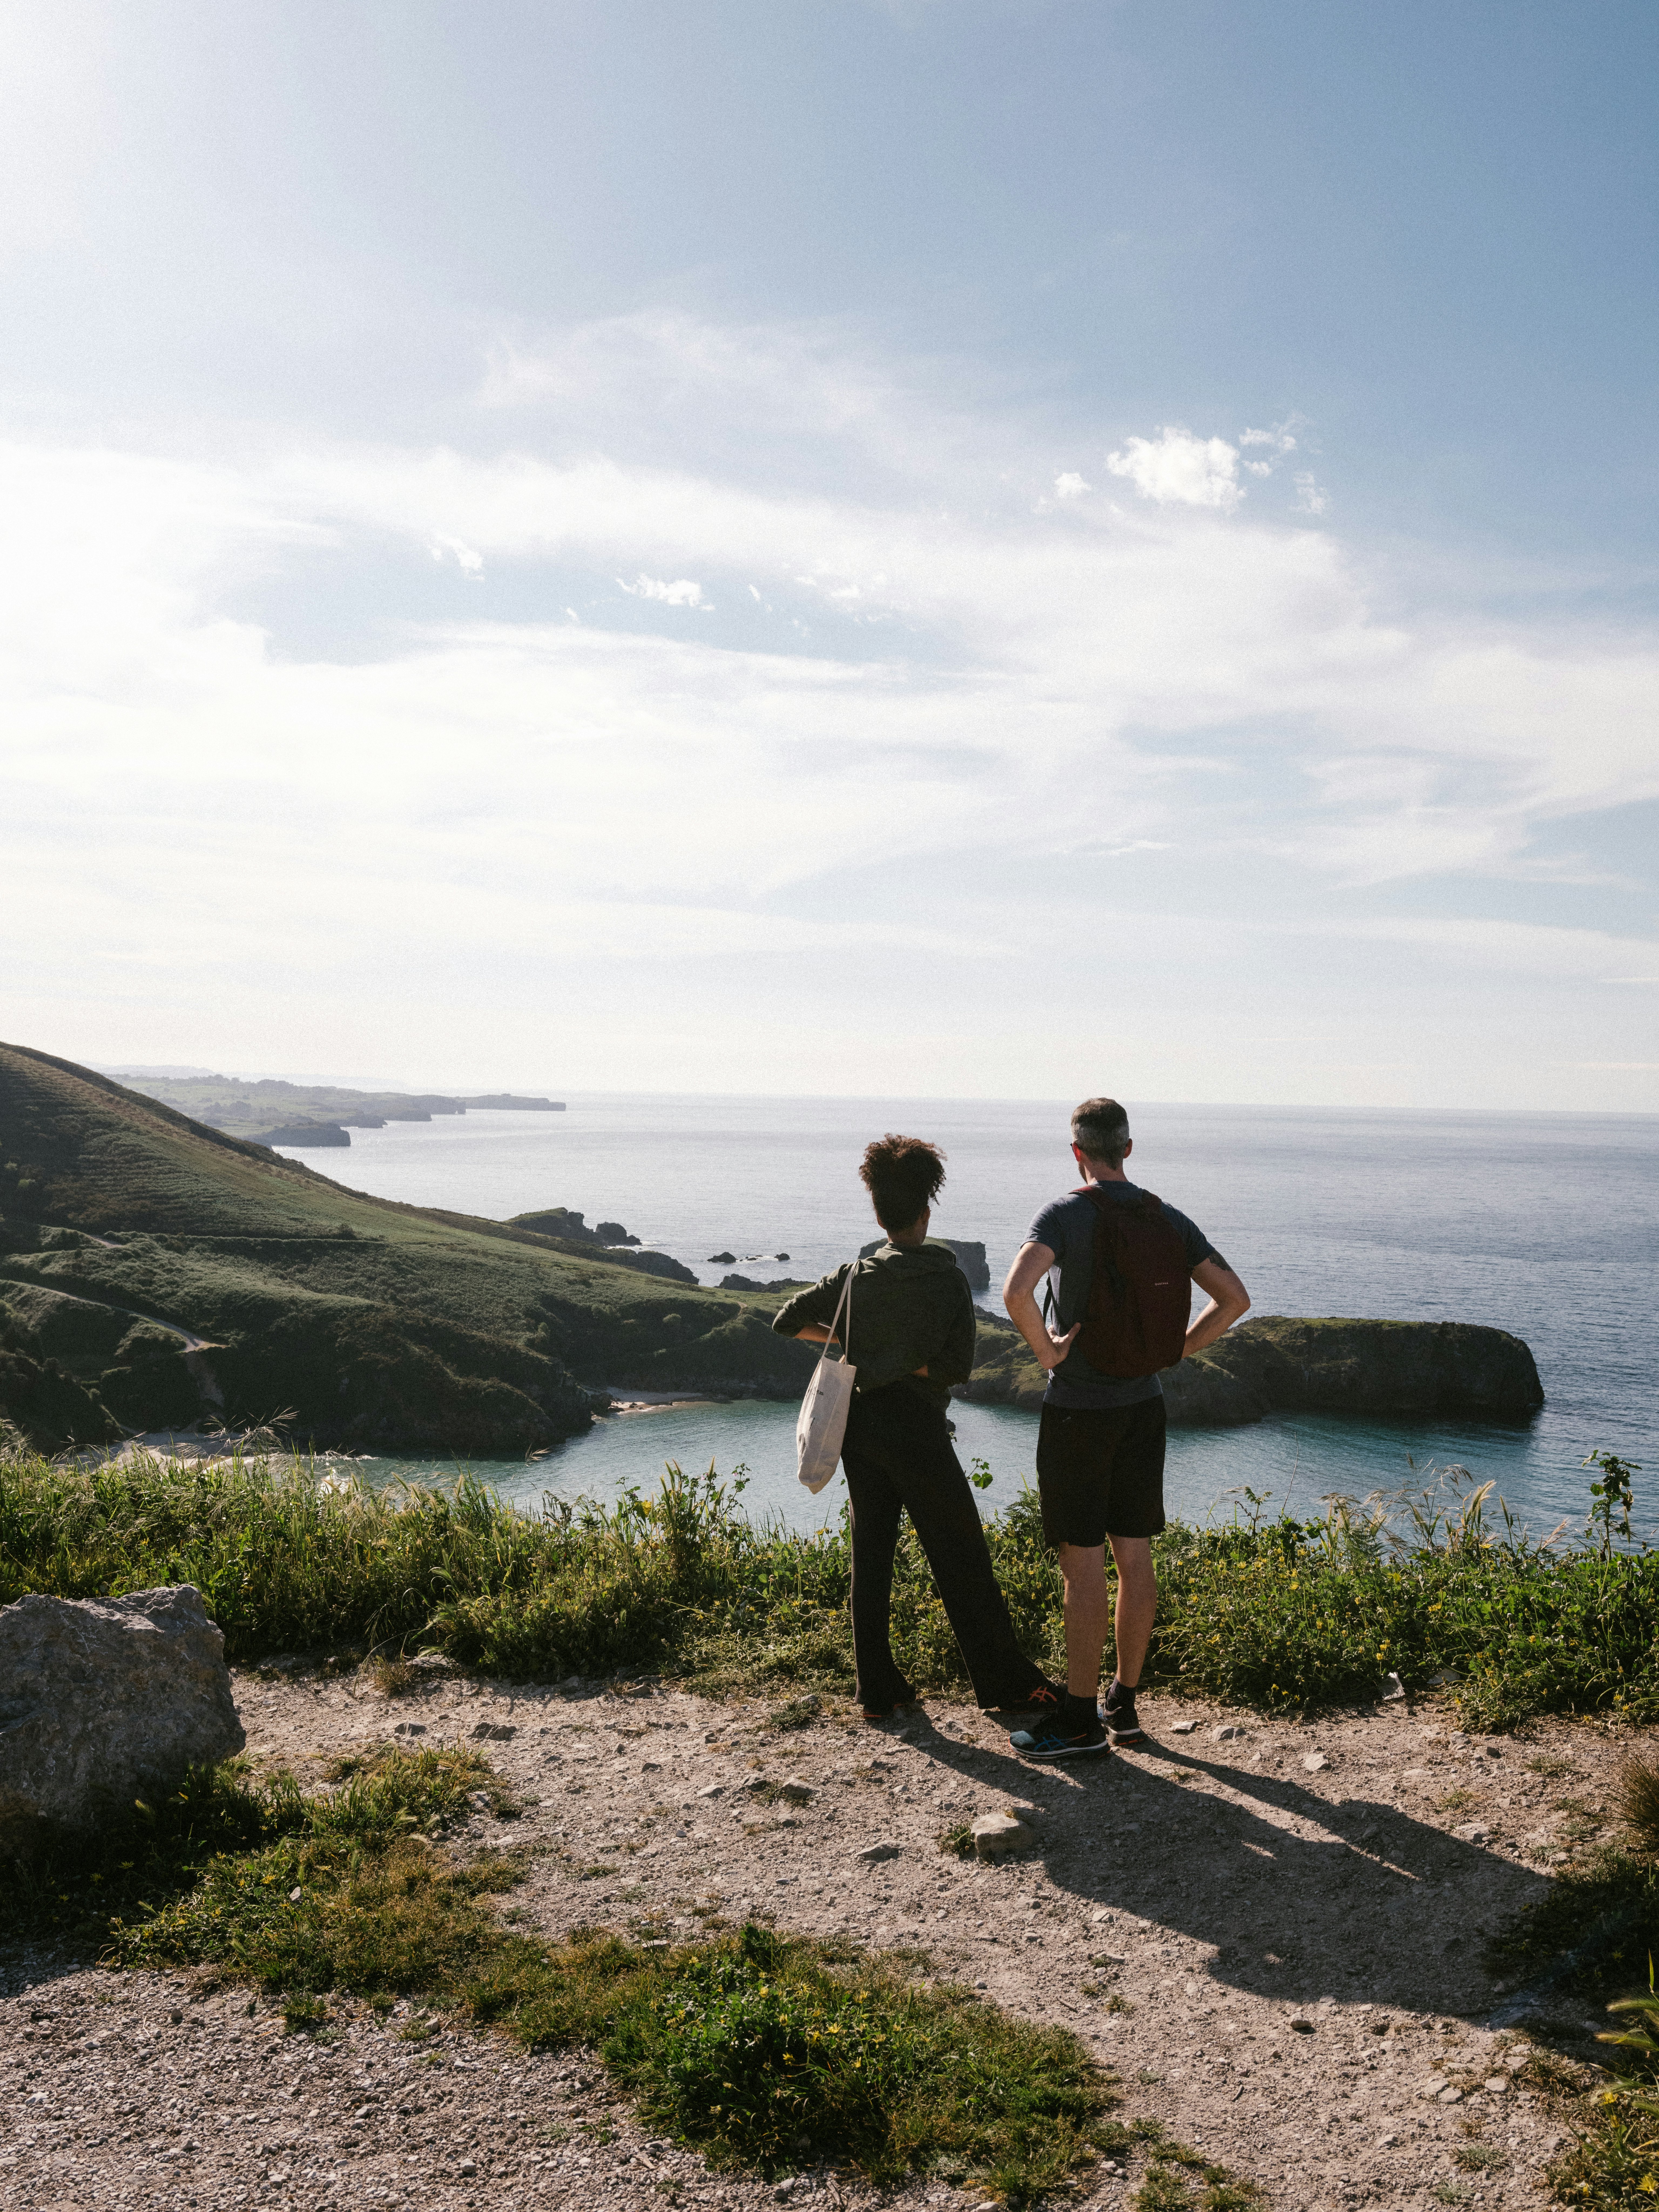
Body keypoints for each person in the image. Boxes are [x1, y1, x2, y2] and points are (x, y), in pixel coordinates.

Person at [774, 1134, 1060, 1722]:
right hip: (917, 1431)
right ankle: (1008, 1685)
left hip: (860, 1428)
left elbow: (787, 1321)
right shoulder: (947, 1279)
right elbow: (956, 1368)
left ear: (879, 1214)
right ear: (926, 1213)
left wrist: (856, 1349)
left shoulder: (855, 1275)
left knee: (871, 1554)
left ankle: (876, 1690)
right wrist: (904, 1362)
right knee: (961, 1556)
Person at [1001, 1097, 1250, 1761]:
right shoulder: (1165, 1217)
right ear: (1129, 1149)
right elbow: (1235, 1300)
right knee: (1134, 1562)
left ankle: (1080, 1721)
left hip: (1079, 1413)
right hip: (1144, 1409)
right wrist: (1172, 1351)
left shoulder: (1063, 1213)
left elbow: (1015, 1293)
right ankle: (1123, 1704)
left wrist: (1050, 1352)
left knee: (1083, 1572)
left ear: (1076, 1151)